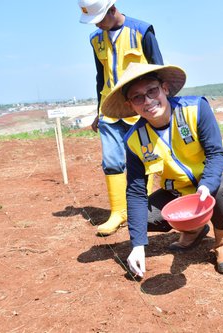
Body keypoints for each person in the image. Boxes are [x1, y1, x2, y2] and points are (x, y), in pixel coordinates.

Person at [100, 63, 223, 275]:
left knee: (218, 187)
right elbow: (136, 192)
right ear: (131, 105)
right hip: (180, 190)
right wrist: (138, 245)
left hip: (220, 175)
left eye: (152, 91)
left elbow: (216, 154)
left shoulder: (196, 109)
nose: (148, 101)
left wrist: (206, 185)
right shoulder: (134, 140)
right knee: (143, 218)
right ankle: (194, 228)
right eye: (138, 97)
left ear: (165, 88)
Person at [78, 0, 164, 236]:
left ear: (112, 10)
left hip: (140, 108)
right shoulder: (96, 39)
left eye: (100, 18)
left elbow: (159, 71)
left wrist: (163, 108)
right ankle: (118, 212)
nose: (97, 24)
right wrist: (98, 110)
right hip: (110, 108)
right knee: (112, 161)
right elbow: (100, 76)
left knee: (145, 159)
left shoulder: (142, 31)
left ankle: (141, 210)